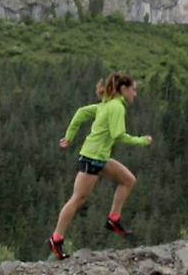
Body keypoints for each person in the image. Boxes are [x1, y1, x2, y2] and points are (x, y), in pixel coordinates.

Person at [48, 72, 153, 260]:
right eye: (133, 90)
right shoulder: (116, 107)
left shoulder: (107, 104)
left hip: (99, 157)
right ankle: (56, 239)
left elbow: (81, 113)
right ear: (123, 89)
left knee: (128, 180)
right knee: (78, 200)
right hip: (91, 158)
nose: (135, 94)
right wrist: (142, 141)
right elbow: (118, 135)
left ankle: (114, 219)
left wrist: (70, 137)